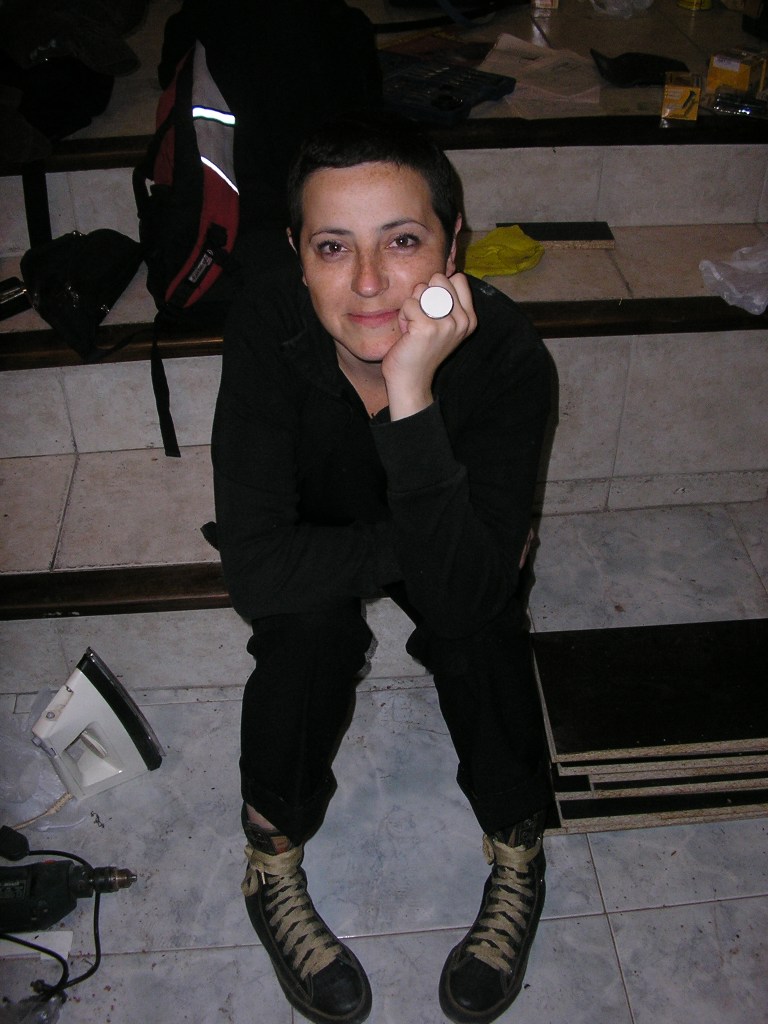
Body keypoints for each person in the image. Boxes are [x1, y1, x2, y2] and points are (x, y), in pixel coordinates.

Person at [211, 110, 554, 1024]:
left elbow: (465, 598)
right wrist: (439, 550)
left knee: (483, 626)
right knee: (305, 627)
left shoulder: (508, 356)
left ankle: (518, 841)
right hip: (351, 521)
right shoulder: (266, 329)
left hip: (425, 513)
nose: (367, 282)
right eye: (333, 247)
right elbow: (256, 573)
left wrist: (411, 393)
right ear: (297, 254)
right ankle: (270, 852)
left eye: (402, 241)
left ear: (452, 246)